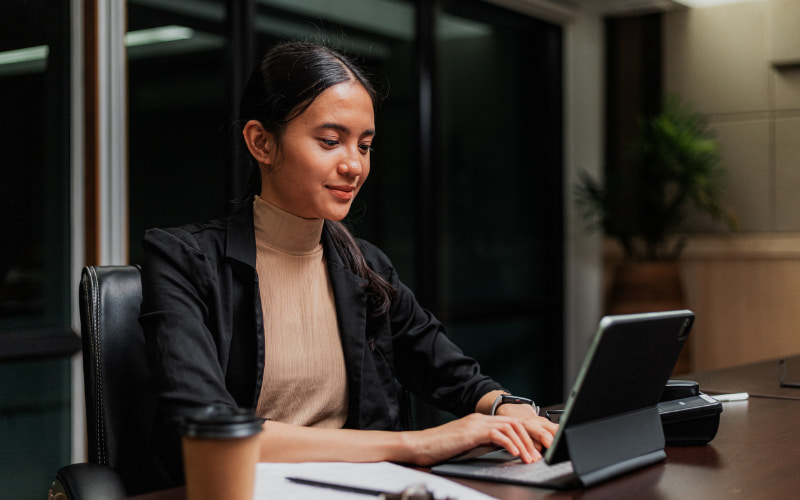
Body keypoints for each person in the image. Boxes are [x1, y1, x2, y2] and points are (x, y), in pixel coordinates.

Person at [140, 40, 558, 486]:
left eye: (364, 146)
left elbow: (450, 372)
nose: (354, 165)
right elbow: (214, 432)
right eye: (330, 141)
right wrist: (416, 445)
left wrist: (503, 405)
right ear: (261, 142)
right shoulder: (184, 260)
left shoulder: (364, 265)